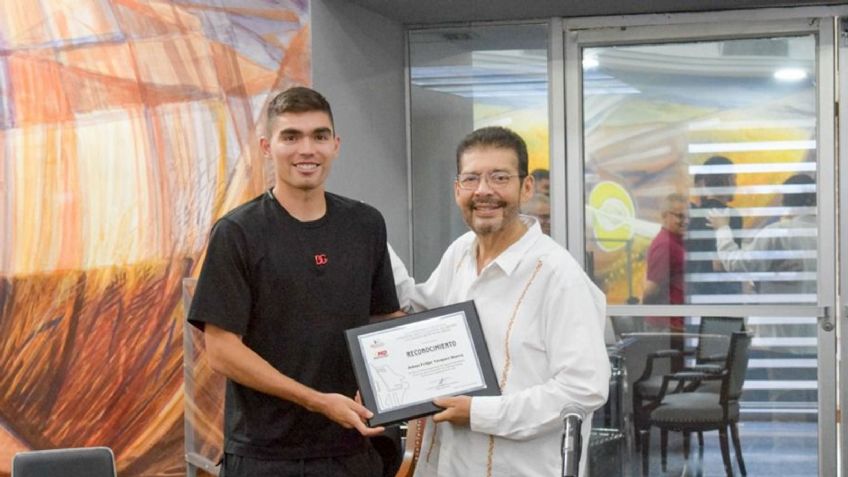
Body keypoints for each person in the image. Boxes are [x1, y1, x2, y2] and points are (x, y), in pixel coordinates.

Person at [187, 86, 401, 477]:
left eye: (319, 136)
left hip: (353, 448)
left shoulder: (366, 224)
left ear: (335, 145)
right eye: (291, 137)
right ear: (268, 147)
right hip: (266, 456)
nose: (307, 149)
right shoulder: (237, 232)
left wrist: (396, 380)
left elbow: (383, 318)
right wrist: (316, 400)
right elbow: (221, 350)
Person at [391, 127, 610, 477]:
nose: (484, 191)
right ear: (457, 189)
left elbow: (581, 390)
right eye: (472, 178)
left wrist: (479, 413)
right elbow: (419, 310)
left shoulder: (558, 275)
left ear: (526, 187)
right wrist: (365, 236)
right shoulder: (460, 253)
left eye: (499, 177)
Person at [708, 173, 817, 301]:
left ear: (784, 202)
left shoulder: (779, 233)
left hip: (777, 317)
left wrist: (722, 229)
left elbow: (737, 264)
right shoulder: (827, 236)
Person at [685, 155, 743, 300]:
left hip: (694, 294)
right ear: (728, 180)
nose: (736, 185)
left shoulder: (691, 215)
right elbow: (723, 264)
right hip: (721, 298)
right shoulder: (730, 215)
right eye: (734, 178)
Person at [642, 193, 688, 370]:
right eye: (679, 216)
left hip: (675, 324)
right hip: (666, 328)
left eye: (687, 216)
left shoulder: (677, 241)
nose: (685, 221)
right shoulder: (665, 244)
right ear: (664, 215)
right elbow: (650, 289)